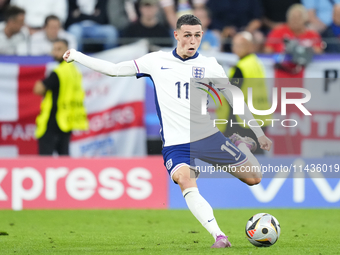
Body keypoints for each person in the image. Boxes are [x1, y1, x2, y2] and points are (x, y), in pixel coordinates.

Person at [62, 14, 272, 248]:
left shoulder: (210, 65)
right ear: (176, 35)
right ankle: (219, 236)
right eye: (187, 35)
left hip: (207, 136)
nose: (193, 41)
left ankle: (239, 143)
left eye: (197, 35)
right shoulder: (156, 61)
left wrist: (258, 134)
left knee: (254, 178)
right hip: (176, 144)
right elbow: (113, 70)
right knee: (185, 180)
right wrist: (78, 56)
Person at [216, 32, 271, 154]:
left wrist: (222, 124)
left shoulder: (241, 68)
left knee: (239, 158)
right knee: (257, 155)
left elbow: (229, 96)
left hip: (241, 121)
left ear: (249, 46)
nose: (234, 48)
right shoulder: (256, 63)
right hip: (260, 118)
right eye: (234, 45)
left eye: (238, 45)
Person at [33, 39, 88, 156]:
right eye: (54, 49)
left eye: (59, 49)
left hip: (53, 121)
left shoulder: (59, 72)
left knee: (45, 161)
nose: (56, 53)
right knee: (64, 159)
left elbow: (38, 89)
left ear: (68, 51)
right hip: (67, 121)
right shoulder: (75, 71)